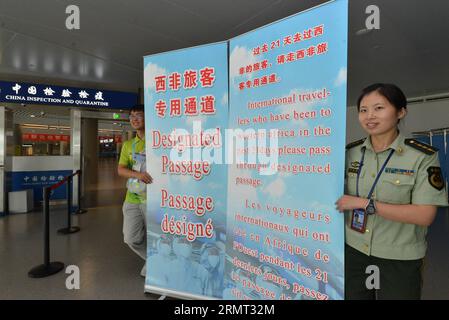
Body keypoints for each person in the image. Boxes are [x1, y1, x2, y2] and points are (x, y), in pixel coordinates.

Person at [336, 83, 448, 300]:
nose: (370, 116)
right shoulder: (350, 153)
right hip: (354, 250)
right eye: (363, 110)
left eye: (379, 108)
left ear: (400, 112)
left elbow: (425, 215)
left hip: (399, 256)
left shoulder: (422, 156)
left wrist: (365, 204)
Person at [117, 104, 153, 277]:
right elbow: (121, 169)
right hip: (132, 198)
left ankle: (154, 263)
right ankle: (153, 260)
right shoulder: (128, 145)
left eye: (138, 115)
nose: (134, 119)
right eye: (131, 116)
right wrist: (138, 174)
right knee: (130, 238)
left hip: (152, 199)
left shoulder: (157, 140)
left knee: (156, 235)